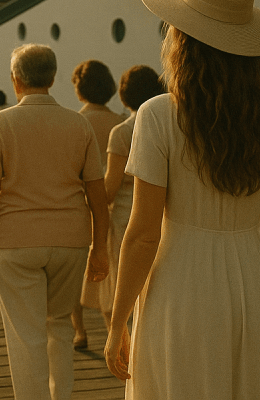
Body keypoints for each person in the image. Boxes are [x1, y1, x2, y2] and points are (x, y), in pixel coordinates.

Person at [105, 0, 260, 398]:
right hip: (256, 285)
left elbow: (142, 234)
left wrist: (118, 320)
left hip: (179, 286)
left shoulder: (159, 115)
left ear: (183, 40)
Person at [0, 43, 109, 399]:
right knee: (60, 326)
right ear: (52, 77)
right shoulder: (78, 124)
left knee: (26, 334)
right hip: (71, 240)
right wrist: (100, 249)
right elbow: (97, 196)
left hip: (15, 242)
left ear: (16, 80)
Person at [89, 66, 164, 336]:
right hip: (163, 218)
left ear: (124, 97)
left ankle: (121, 342)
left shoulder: (122, 132)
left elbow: (110, 189)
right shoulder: (169, 123)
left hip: (125, 221)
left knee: (122, 286)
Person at [70, 59, 124, 348]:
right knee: (110, 271)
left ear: (80, 89)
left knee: (75, 270)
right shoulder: (119, 122)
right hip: (113, 206)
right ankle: (114, 331)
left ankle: (80, 332)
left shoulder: (77, 122)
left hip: (81, 203)